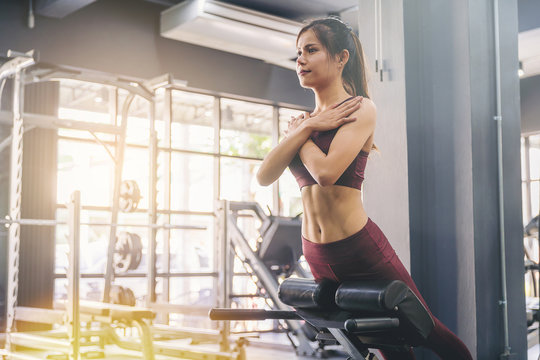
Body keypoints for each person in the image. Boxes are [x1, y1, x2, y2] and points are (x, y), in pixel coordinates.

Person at [256, 17, 473, 360]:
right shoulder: (303, 123)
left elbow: (326, 173)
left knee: (428, 330)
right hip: (316, 252)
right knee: (382, 343)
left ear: (341, 58)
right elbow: (264, 176)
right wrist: (306, 128)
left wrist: (302, 133)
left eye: (311, 50)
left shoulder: (359, 109)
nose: (300, 59)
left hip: (359, 248)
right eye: (298, 52)